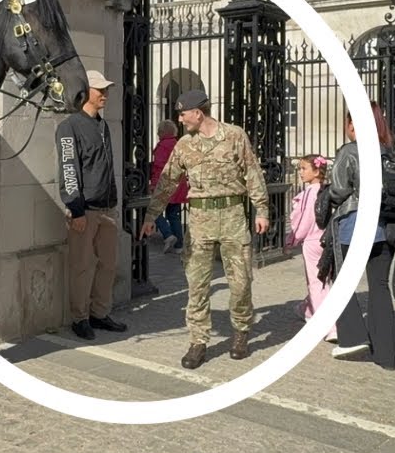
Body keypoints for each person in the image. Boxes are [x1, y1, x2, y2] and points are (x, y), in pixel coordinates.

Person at [141, 89, 270, 369]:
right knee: (197, 284)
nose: (180, 118)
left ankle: (240, 332)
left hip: (233, 216)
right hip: (200, 220)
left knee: (241, 282)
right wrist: (152, 215)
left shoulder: (234, 135)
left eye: (183, 113)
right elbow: (167, 181)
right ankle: (198, 341)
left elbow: (252, 172)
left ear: (198, 113)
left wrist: (262, 209)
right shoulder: (184, 145)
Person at [57, 70, 128, 340]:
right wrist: (75, 209)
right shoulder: (69, 126)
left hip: (108, 208)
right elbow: (68, 169)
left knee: (107, 265)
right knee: (82, 266)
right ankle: (80, 318)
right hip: (84, 210)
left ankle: (99, 313)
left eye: (106, 89)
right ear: (86, 92)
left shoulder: (104, 125)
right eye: (101, 90)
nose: (105, 95)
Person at [327, 102, 395, 368]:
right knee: (379, 287)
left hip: (354, 225)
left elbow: (339, 190)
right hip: (386, 227)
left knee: (340, 281)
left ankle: (353, 336)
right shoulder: (386, 152)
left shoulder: (349, 151)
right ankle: (386, 355)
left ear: (353, 124)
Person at [285, 154, 336, 342]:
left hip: (312, 242)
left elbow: (303, 222)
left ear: (316, 172)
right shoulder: (329, 190)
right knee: (325, 280)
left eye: (304, 169)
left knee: (316, 283)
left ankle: (330, 327)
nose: (300, 172)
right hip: (328, 240)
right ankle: (307, 309)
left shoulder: (309, 194)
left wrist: (291, 240)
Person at [150, 119, 189, 253]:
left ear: (161, 132)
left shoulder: (162, 146)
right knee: (174, 214)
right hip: (179, 185)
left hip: (165, 184)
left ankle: (168, 234)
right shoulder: (179, 145)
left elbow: (159, 167)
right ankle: (179, 245)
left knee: (154, 211)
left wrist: (154, 184)